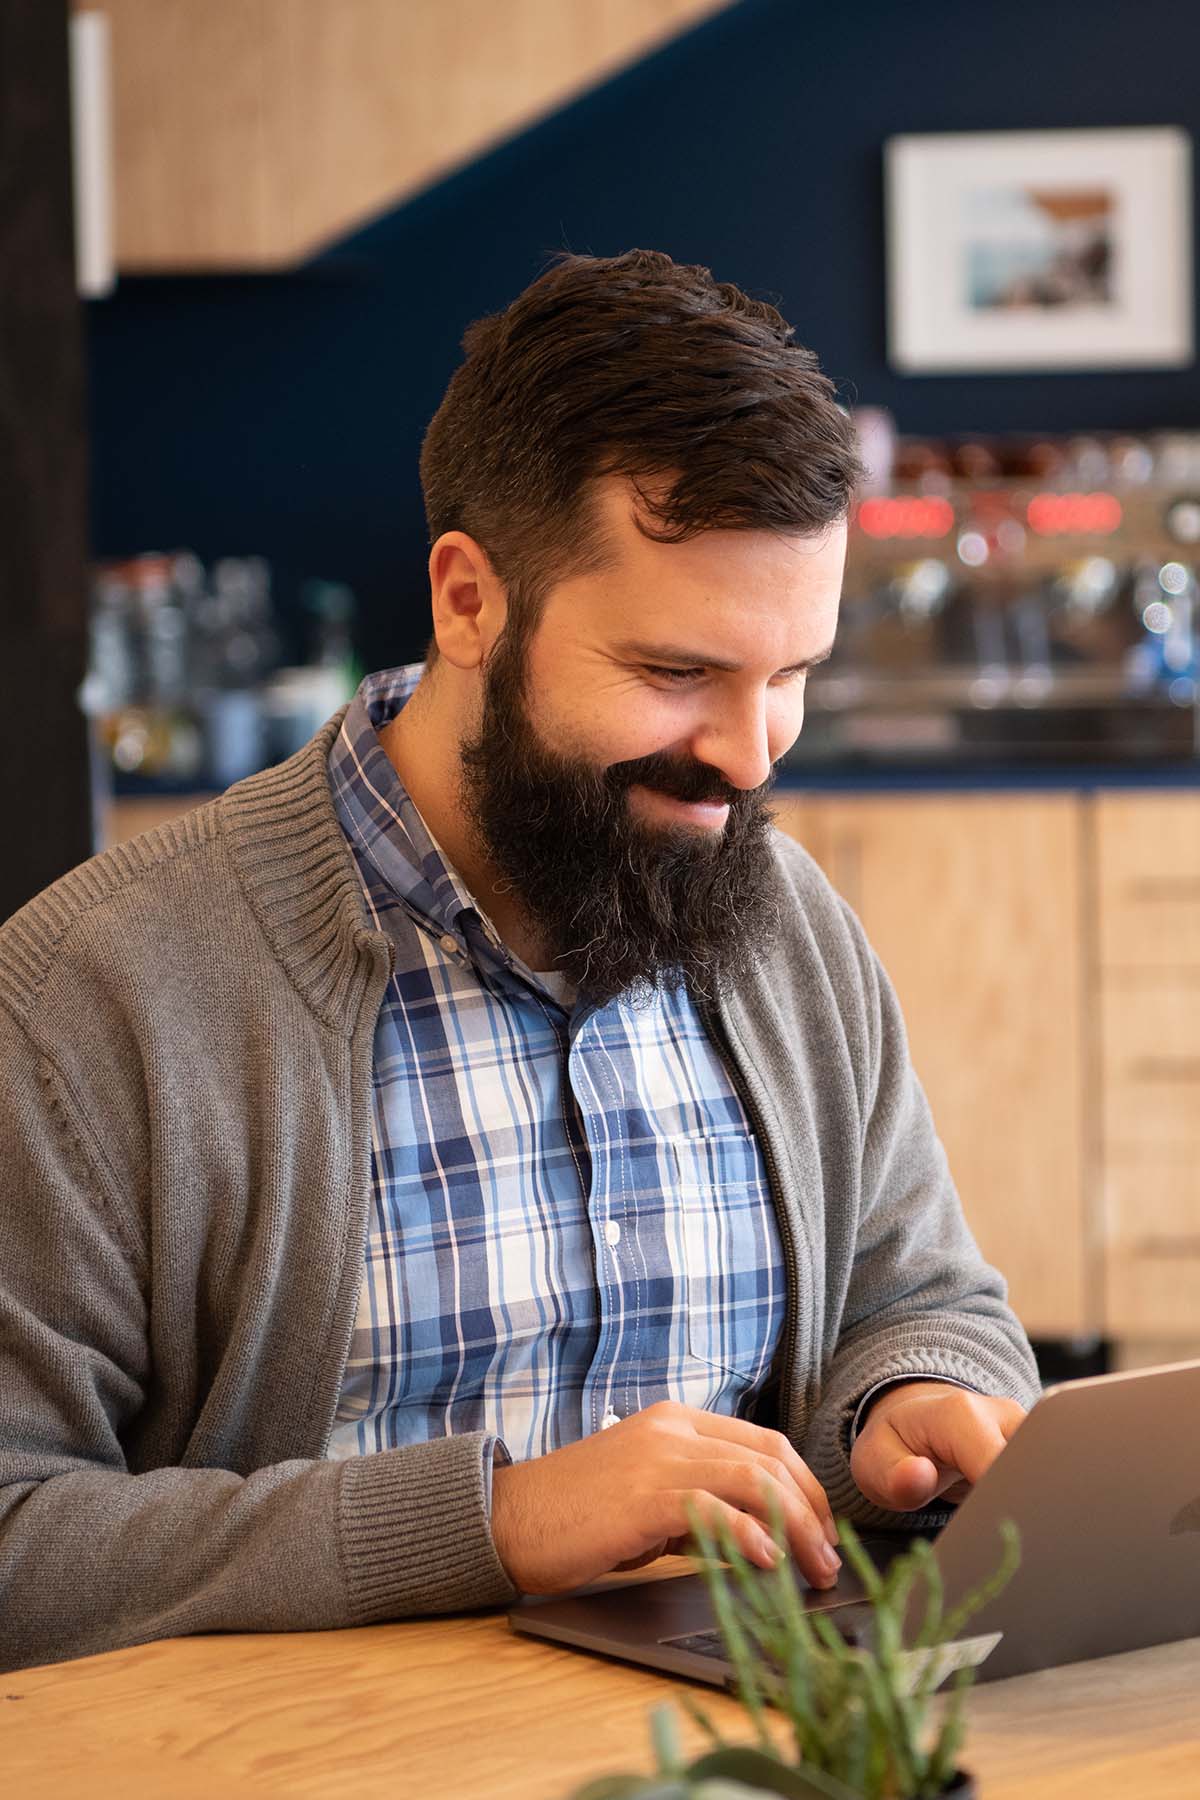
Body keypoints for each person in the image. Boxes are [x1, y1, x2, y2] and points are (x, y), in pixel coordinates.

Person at [0, 250, 1038, 1673]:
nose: (749, 757)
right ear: (469, 603)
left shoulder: (784, 922)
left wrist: (910, 1403)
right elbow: (15, 1535)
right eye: (679, 675)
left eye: (792, 675)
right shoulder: (99, 992)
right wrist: (493, 1520)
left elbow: (926, 1301)